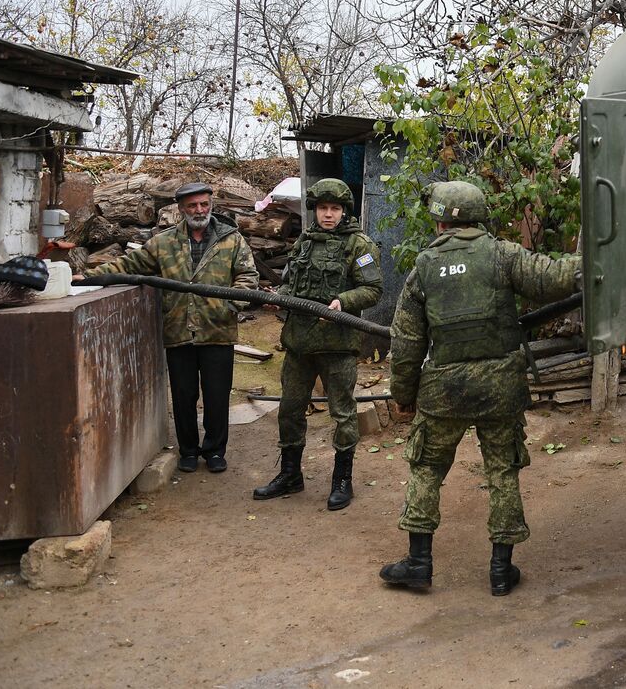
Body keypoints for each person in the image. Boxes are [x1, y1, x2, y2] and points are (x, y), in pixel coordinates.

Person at [380, 180, 579, 595]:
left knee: (427, 470)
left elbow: (405, 344)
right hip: (500, 389)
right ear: (480, 216)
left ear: (439, 221)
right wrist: (594, 259)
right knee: (503, 471)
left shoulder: (424, 268)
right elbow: (557, 279)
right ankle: (501, 571)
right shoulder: (502, 255)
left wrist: (403, 396)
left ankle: (418, 564)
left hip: (443, 391)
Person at [81, 182, 259, 473]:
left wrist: (229, 306)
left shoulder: (231, 240)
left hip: (218, 332)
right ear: (181, 210)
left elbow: (248, 277)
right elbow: (129, 264)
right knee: (183, 395)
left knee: (216, 395)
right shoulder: (164, 242)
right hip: (179, 332)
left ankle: (214, 451)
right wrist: (87, 277)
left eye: (203, 204)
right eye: (192, 206)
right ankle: (188, 451)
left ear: (211, 204)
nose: (199, 210)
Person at [253, 178, 383, 510]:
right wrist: (277, 299)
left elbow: (372, 290)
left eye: (334, 209)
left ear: (344, 211)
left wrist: (342, 301)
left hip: (337, 346)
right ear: (315, 210)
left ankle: (343, 481)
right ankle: (290, 475)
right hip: (299, 344)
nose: (328, 214)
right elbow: (291, 285)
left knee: (342, 413)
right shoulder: (304, 243)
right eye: (323, 208)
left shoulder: (359, 245)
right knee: (290, 410)